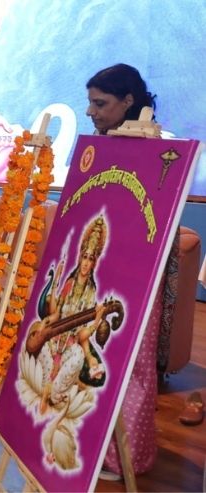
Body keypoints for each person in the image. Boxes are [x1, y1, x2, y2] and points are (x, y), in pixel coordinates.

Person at [86, 63, 169, 478]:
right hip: (98, 271)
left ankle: (127, 457)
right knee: (91, 355)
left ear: (129, 101)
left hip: (137, 274)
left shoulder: (160, 152)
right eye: (90, 102)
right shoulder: (99, 147)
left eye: (100, 103)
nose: (90, 111)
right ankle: (91, 444)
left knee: (131, 361)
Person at [35, 216, 108, 415]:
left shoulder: (91, 291)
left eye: (90, 259)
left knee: (77, 358)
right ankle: (47, 391)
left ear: (93, 263)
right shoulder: (69, 283)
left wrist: (97, 320)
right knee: (41, 348)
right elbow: (55, 314)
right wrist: (56, 283)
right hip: (54, 340)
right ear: (79, 258)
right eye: (84, 257)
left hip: (71, 344)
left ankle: (53, 394)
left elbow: (83, 334)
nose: (85, 263)